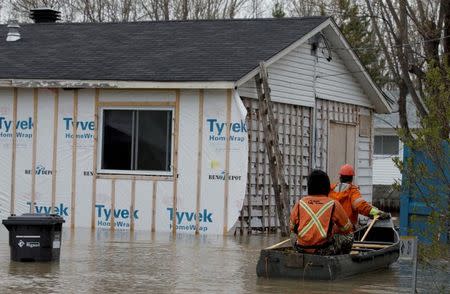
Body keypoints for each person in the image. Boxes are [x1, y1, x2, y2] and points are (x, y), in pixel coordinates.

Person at [290, 170, 354, 255]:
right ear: (327, 188)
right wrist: (332, 229)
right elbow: (347, 229)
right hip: (323, 250)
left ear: (309, 187)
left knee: (292, 234)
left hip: (301, 248)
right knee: (350, 235)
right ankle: (342, 257)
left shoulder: (300, 203)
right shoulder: (333, 204)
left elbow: (292, 227)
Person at [329, 164, 389, 230]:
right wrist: (378, 213)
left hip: (331, 231)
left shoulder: (331, 189)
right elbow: (361, 206)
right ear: (352, 178)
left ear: (340, 177)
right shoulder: (352, 191)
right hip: (347, 232)